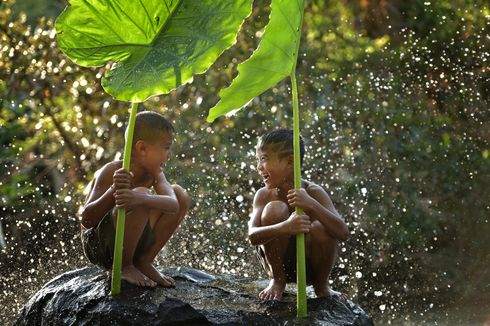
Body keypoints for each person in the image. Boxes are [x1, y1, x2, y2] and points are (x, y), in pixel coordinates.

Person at [80, 111, 190, 288]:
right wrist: (113, 190)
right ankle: (124, 266)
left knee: (180, 194)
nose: (169, 155)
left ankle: (143, 262)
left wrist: (138, 197)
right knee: (141, 195)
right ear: (142, 148)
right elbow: (87, 220)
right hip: (101, 245)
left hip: (132, 239)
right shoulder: (111, 170)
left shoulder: (155, 174)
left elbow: (174, 204)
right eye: (166, 148)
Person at [248, 129, 349, 301]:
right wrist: (285, 228)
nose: (258, 167)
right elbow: (252, 237)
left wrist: (311, 204)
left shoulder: (313, 192)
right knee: (275, 209)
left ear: (290, 161)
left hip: (309, 268)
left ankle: (322, 286)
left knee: (319, 227)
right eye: (258, 160)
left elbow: (343, 233)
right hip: (279, 266)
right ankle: (277, 282)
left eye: (263, 159)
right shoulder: (264, 195)